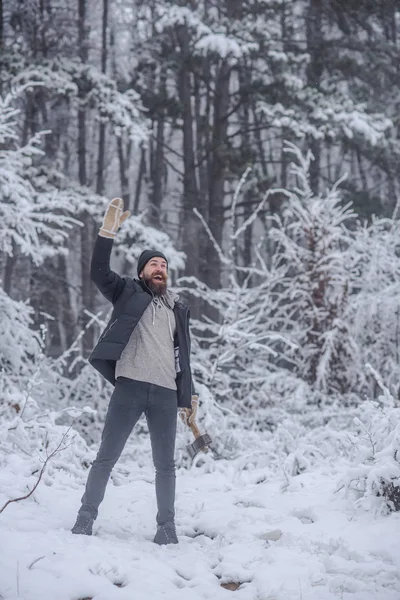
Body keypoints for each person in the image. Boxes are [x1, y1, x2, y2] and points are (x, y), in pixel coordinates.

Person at [71, 198, 197, 545]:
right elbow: (98, 270)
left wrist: (189, 396)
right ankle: (85, 517)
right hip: (129, 386)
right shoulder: (126, 292)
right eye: (153, 264)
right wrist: (108, 231)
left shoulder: (178, 307)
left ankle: (166, 527)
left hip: (165, 393)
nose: (160, 268)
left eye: (164, 266)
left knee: (165, 466)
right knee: (106, 457)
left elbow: (184, 357)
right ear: (142, 272)